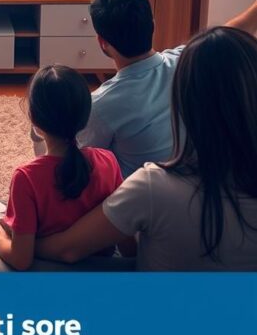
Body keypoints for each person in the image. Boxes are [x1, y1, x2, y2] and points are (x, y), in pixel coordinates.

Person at [34, 27, 257, 271]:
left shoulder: (154, 187)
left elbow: (68, 249)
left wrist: (21, 243)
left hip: (149, 304)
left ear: (184, 101)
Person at [32, 0, 257, 177]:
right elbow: (235, 29)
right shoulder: (189, 61)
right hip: (196, 186)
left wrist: (38, 134)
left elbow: (61, 168)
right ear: (153, 24)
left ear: (102, 42)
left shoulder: (100, 106)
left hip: (135, 212)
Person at [0, 66, 123, 270]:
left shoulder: (26, 177)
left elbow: (21, 259)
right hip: (99, 261)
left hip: (44, 266)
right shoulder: (108, 161)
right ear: (85, 115)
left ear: (35, 121)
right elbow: (124, 233)